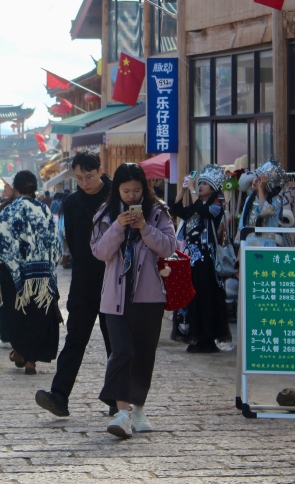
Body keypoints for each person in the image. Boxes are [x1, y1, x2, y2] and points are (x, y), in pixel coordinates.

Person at [91, 163, 176, 438]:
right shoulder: (105, 213)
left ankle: (138, 409)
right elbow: (100, 252)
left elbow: (169, 246)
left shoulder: (158, 211)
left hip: (149, 296)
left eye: (136, 191)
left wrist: (145, 228)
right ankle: (122, 412)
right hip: (114, 297)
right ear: (117, 189)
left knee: (143, 354)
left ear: (144, 189)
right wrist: (118, 226)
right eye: (125, 191)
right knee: (122, 352)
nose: (131, 196)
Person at [36, 151, 113, 417]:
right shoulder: (72, 202)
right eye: (79, 178)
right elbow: (74, 243)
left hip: (113, 279)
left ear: (100, 171)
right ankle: (59, 395)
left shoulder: (116, 195)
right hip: (83, 281)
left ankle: (118, 399)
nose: (84, 183)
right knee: (75, 339)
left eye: (88, 177)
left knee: (114, 341)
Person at [0, 170, 62, 375]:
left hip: (15, 274)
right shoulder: (44, 210)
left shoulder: (10, 210)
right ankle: (31, 360)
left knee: (17, 316)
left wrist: (10, 261)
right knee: (37, 316)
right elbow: (55, 242)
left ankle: (20, 352)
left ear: (16, 188)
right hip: (42, 275)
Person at [170, 164, 231, 353]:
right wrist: (183, 189)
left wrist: (192, 189)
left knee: (206, 297)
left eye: (205, 184)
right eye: (200, 183)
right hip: (192, 259)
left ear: (213, 189)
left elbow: (203, 211)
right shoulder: (194, 208)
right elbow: (175, 209)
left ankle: (208, 338)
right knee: (193, 298)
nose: (201, 186)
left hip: (206, 260)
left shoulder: (216, 207)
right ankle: (196, 336)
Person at [239, 158, 292, 246]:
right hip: (249, 245)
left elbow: (263, 212)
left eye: (260, 179)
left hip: (267, 246)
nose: (255, 180)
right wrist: (240, 248)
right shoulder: (250, 199)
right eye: (256, 175)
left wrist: (261, 189)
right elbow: (242, 225)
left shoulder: (276, 200)